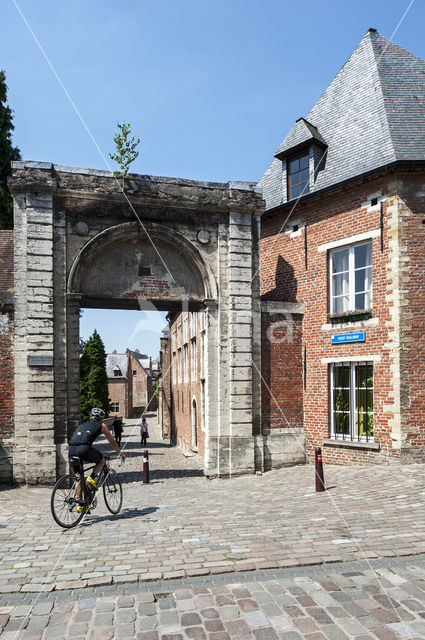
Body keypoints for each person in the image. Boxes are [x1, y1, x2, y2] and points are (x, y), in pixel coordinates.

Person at [68, 408, 126, 512]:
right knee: (101, 461)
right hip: (84, 449)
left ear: (91, 417)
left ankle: (80, 503)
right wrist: (120, 453)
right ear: (101, 419)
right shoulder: (102, 425)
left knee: (78, 477)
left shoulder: (82, 425)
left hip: (71, 450)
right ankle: (92, 478)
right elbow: (112, 442)